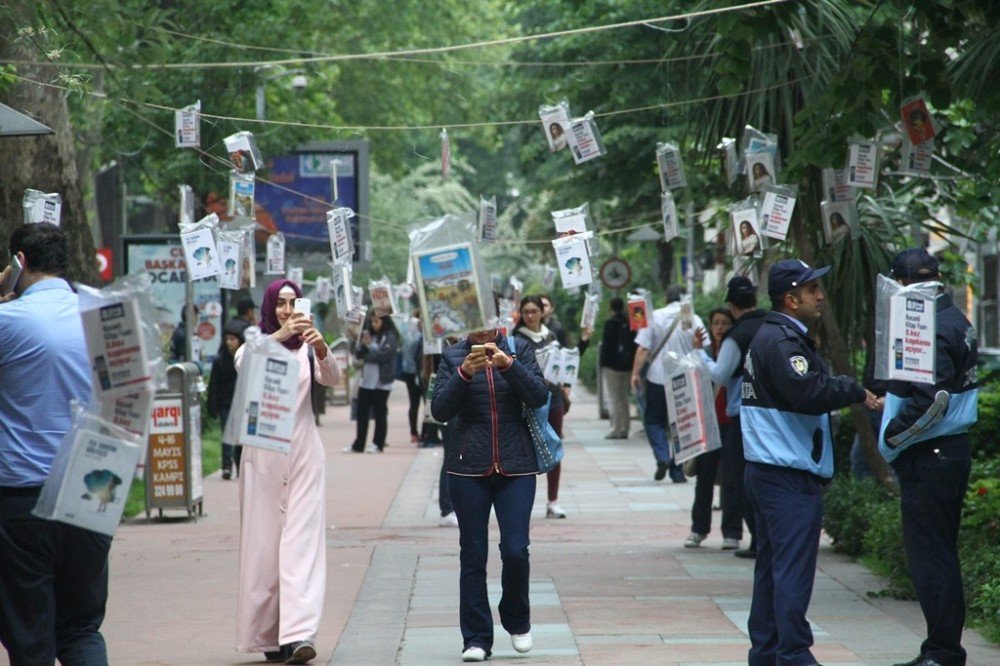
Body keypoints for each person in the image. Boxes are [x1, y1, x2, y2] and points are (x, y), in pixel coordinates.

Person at [740, 259, 876, 666]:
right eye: (813, 290)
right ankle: (794, 654)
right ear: (791, 298)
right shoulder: (781, 342)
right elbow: (808, 391)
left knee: (773, 570)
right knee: (792, 572)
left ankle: (767, 652)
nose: (821, 297)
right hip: (786, 477)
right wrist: (851, 388)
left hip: (770, 472)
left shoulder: (778, 336)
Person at [0, 223, 109, 663]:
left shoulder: (8, 321)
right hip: (95, 485)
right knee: (82, 627)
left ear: (19, 262)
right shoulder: (104, 316)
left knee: (31, 635)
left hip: (22, 495)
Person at [234, 278, 342, 664]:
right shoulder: (257, 342)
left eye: (293, 302)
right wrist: (280, 334)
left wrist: (321, 347)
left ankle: (299, 636)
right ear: (269, 307)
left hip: (304, 456)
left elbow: (332, 378)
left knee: (300, 545)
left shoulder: (307, 349)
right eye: (280, 303)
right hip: (263, 457)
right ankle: (267, 634)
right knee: (264, 546)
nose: (287, 310)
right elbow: (244, 364)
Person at [878, 249, 978, 666]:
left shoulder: (928, 323)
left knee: (931, 556)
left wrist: (894, 438)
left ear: (902, 284)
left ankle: (942, 651)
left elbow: (932, 400)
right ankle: (942, 647)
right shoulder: (955, 317)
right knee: (940, 551)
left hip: (930, 454)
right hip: (948, 452)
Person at [430, 322, 548, 662]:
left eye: (487, 321)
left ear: (497, 319)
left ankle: (517, 619)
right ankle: (477, 638)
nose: (481, 330)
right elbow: (440, 410)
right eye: (474, 322)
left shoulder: (519, 348)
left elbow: (540, 396)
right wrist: (464, 373)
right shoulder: (453, 355)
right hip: (468, 467)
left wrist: (509, 365)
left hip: (517, 465)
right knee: (473, 554)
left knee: (515, 550)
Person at [693, 276, 767, 559]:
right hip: (771, 414)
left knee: (739, 480)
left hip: (742, 416)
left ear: (732, 305)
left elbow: (720, 375)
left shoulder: (737, 336)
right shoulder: (772, 324)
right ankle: (761, 538)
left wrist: (701, 354)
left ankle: (759, 539)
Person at [514, 295, 589, 519]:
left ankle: (553, 501)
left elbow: (567, 361)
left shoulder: (551, 335)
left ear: (542, 312)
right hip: (527, 401)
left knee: (554, 447)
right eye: (525, 311)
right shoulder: (516, 340)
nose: (530, 316)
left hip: (553, 398)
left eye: (534, 311)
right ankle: (519, 503)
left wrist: (565, 382)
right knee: (524, 451)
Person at [630, 285, 708, 483]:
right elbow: (705, 346)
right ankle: (677, 470)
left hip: (658, 376)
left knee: (654, 421)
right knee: (682, 424)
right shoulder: (693, 318)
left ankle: (663, 456)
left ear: (666, 297)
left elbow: (643, 349)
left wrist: (635, 374)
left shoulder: (655, 316)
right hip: (686, 376)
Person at [684, 307, 741, 550]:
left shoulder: (736, 351)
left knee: (731, 479)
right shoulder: (704, 352)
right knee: (704, 478)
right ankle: (698, 530)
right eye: (715, 323)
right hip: (708, 422)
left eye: (725, 323)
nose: (720, 327)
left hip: (730, 423)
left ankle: (732, 533)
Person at [347, 311, 399, 453]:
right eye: (372, 321)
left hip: (382, 382)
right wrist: (357, 341)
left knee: (379, 413)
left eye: (377, 321)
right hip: (367, 381)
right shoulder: (368, 334)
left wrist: (368, 349)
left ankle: (378, 443)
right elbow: (358, 354)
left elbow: (383, 356)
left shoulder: (390, 336)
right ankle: (358, 444)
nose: (374, 324)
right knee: (361, 413)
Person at [207, 318, 251, 479]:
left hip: (242, 404)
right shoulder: (220, 360)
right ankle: (226, 466)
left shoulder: (245, 359)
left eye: (232, 339)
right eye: (227, 339)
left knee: (241, 437)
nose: (229, 342)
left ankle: (240, 466)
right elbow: (214, 385)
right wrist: (213, 406)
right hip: (226, 404)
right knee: (227, 434)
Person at [599, 297, 636, 439]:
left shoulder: (610, 323)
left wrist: (602, 363)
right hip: (627, 366)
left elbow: (607, 346)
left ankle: (615, 429)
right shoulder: (630, 322)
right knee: (624, 397)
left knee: (614, 397)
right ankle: (625, 429)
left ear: (611, 308)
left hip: (611, 366)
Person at [398, 310, 424, 444]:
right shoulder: (413, 334)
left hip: (416, 372)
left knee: (422, 403)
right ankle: (415, 432)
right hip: (413, 373)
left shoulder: (410, 333)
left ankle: (421, 432)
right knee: (415, 403)